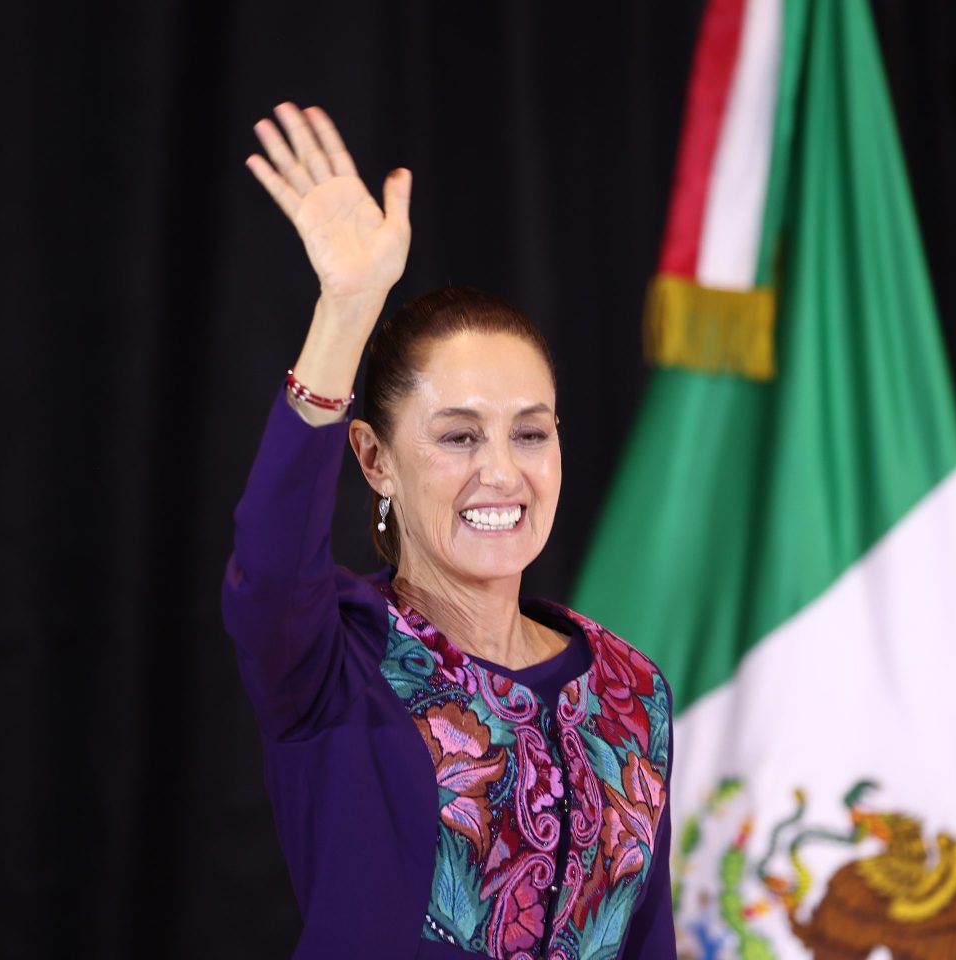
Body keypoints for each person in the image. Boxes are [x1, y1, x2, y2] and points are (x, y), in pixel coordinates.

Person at [223, 102, 676, 960]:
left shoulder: (630, 688)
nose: (501, 472)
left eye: (530, 432)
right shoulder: (333, 662)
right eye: (459, 435)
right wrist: (348, 310)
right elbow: (270, 572)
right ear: (376, 459)